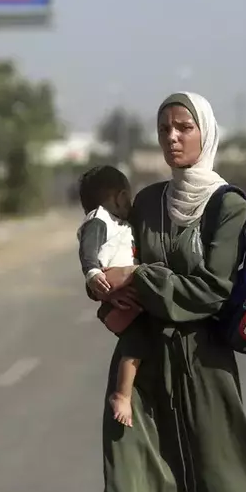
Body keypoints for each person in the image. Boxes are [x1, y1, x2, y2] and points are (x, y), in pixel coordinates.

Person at [87, 92, 246, 492]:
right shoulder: (147, 201)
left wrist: (140, 277)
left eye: (184, 127)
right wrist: (102, 283)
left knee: (222, 487)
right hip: (141, 362)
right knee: (133, 488)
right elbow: (115, 257)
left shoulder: (226, 205)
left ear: (205, 133)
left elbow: (212, 290)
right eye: (164, 129)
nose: (172, 137)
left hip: (203, 362)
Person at [76, 165, 139, 426]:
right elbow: (88, 249)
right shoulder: (99, 219)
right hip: (115, 290)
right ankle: (122, 395)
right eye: (128, 198)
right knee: (137, 341)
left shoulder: (120, 223)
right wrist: (92, 272)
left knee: (139, 339)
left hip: (126, 291)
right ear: (120, 197)